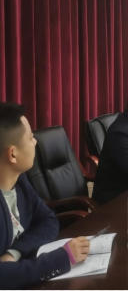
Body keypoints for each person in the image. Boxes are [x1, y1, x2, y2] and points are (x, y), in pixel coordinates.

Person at [0, 102, 91, 288]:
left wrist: (14, 253)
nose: (35, 142)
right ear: (13, 154)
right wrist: (62, 258)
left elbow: (48, 220)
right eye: (31, 138)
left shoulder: (20, 181)